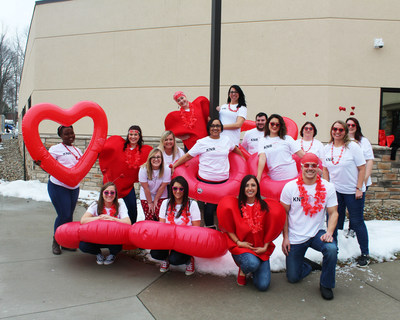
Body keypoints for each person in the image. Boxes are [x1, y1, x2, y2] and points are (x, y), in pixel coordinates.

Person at [280, 153, 339, 300]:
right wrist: (285, 238)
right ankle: (307, 265)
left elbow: (334, 213)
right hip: (295, 236)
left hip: (317, 233)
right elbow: (283, 214)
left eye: (313, 165)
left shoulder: (328, 187)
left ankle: (326, 284)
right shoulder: (290, 187)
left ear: (318, 167)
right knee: (293, 278)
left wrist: (329, 232)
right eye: (307, 165)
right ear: (301, 166)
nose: (310, 168)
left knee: (331, 249)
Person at [171, 118, 243, 228]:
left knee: (224, 208)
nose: (215, 128)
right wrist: (175, 165)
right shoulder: (202, 142)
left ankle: (225, 231)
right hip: (206, 182)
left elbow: (235, 149)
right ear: (209, 128)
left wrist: (244, 160)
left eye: (218, 126)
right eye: (213, 126)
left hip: (224, 181)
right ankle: (211, 229)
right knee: (209, 209)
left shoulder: (226, 140)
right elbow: (188, 156)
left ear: (221, 128)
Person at [322, 121, 369, 267]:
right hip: (335, 191)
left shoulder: (352, 147)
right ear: (331, 130)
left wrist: (359, 188)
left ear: (345, 131)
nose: (337, 132)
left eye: (341, 129)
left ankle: (365, 253)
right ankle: (332, 253)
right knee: (333, 221)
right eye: (334, 129)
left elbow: (362, 168)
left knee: (356, 222)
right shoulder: (327, 148)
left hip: (353, 192)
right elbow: (325, 170)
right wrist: (326, 188)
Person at [218, 175, 275, 291]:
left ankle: (255, 268)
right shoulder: (235, 206)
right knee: (251, 264)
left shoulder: (265, 207)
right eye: (247, 185)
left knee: (263, 286)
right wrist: (239, 242)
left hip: (261, 250)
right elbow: (228, 228)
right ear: (243, 189)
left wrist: (265, 247)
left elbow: (271, 228)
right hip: (242, 249)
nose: (250, 188)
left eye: (253, 185)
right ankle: (244, 269)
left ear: (257, 188)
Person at [150, 176, 201, 275]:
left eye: (181, 188)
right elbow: (162, 225)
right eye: (175, 188)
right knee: (155, 253)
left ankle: (189, 259)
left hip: (185, 241)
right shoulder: (165, 203)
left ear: (185, 190)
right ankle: (166, 258)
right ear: (171, 189)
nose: (178, 191)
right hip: (168, 239)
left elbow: (196, 229)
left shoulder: (192, 204)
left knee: (175, 260)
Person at [47, 125, 82, 255]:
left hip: (74, 187)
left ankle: (65, 242)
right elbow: (48, 166)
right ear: (60, 136)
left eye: (72, 133)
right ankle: (56, 241)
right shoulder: (55, 149)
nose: (70, 136)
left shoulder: (78, 150)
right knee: (64, 215)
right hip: (58, 186)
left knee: (69, 215)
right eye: (66, 134)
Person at [79, 182, 131, 265]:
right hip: (96, 238)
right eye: (106, 192)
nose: (109, 195)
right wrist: (99, 218)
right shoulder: (95, 205)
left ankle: (112, 254)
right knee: (83, 246)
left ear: (115, 194)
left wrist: (112, 218)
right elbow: (83, 220)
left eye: (112, 192)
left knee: (118, 246)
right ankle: (98, 253)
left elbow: (128, 222)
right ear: (102, 193)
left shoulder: (120, 205)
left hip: (113, 239)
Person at [345, 117, 375, 238]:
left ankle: (353, 229)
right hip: (347, 181)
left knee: (355, 209)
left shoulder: (363, 141)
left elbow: (369, 161)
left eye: (353, 125)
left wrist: (363, 180)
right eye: (348, 125)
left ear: (357, 127)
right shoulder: (343, 141)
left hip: (361, 181)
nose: (350, 127)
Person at [257, 114, 305, 182]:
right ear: (268, 124)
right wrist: (258, 177)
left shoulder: (287, 138)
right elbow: (262, 158)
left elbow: (301, 154)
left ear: (280, 126)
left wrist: (315, 164)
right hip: (275, 179)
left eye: (277, 124)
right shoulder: (263, 140)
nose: (274, 126)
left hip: (292, 176)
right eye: (272, 124)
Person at [120, 125, 152, 223]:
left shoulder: (144, 151)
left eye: (135, 135)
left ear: (139, 136)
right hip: (117, 181)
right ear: (128, 135)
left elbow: (152, 161)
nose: (133, 137)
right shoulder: (121, 148)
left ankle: (131, 228)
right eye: (131, 134)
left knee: (132, 209)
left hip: (129, 185)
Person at [139, 148, 171, 221]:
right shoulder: (143, 169)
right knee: (149, 216)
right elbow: (146, 188)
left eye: (158, 157)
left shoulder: (166, 169)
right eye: (153, 157)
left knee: (160, 216)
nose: (156, 159)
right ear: (150, 159)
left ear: (162, 159)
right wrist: (150, 202)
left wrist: (156, 199)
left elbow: (163, 186)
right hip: (146, 194)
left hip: (161, 194)